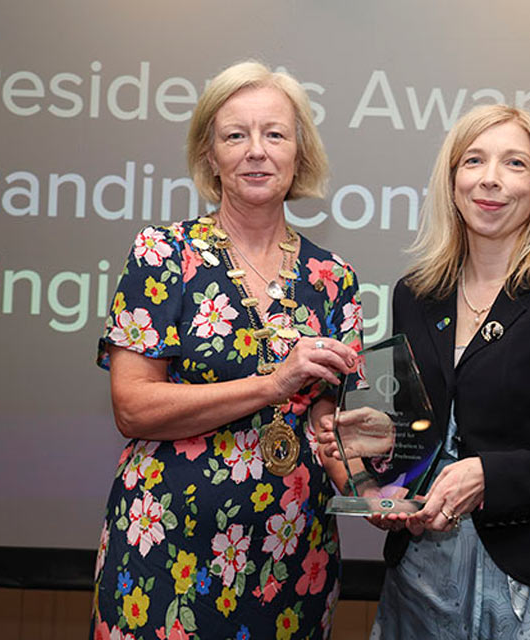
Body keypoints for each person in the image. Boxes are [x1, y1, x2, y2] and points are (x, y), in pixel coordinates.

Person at [322, 104, 530, 639]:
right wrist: (377, 448)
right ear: (452, 181)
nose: (491, 178)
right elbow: (423, 433)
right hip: (422, 579)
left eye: (514, 163)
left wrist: (490, 477)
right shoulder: (416, 294)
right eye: (474, 160)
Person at [90, 61, 363, 640]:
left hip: (293, 554)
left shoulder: (334, 277)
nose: (256, 151)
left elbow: (329, 427)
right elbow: (132, 408)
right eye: (235, 135)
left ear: (300, 153)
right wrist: (272, 384)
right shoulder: (163, 254)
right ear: (210, 156)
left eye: (274, 134)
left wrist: (384, 494)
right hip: (166, 544)